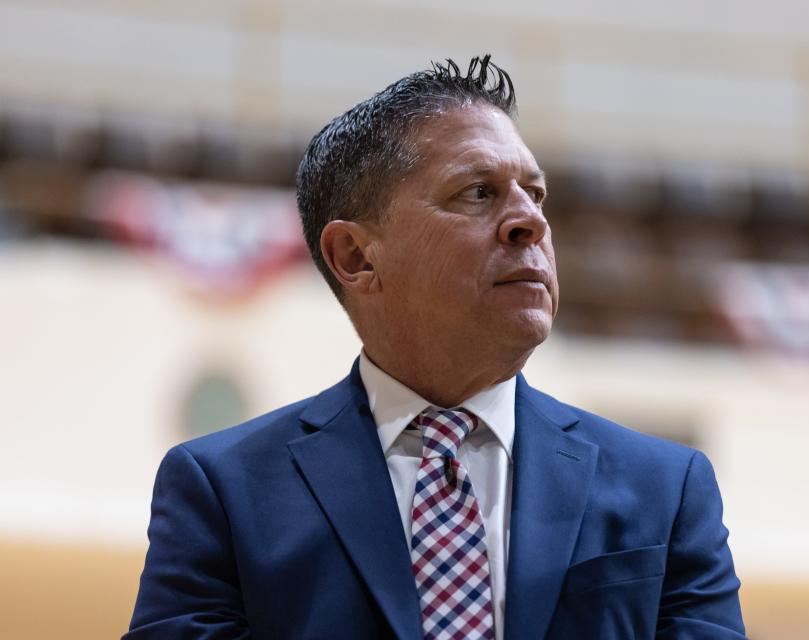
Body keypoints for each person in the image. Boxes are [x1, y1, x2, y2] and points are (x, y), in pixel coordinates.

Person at [126, 55, 746, 640]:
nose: (529, 220)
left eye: (536, 193)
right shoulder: (221, 491)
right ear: (357, 257)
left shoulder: (668, 490)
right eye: (477, 192)